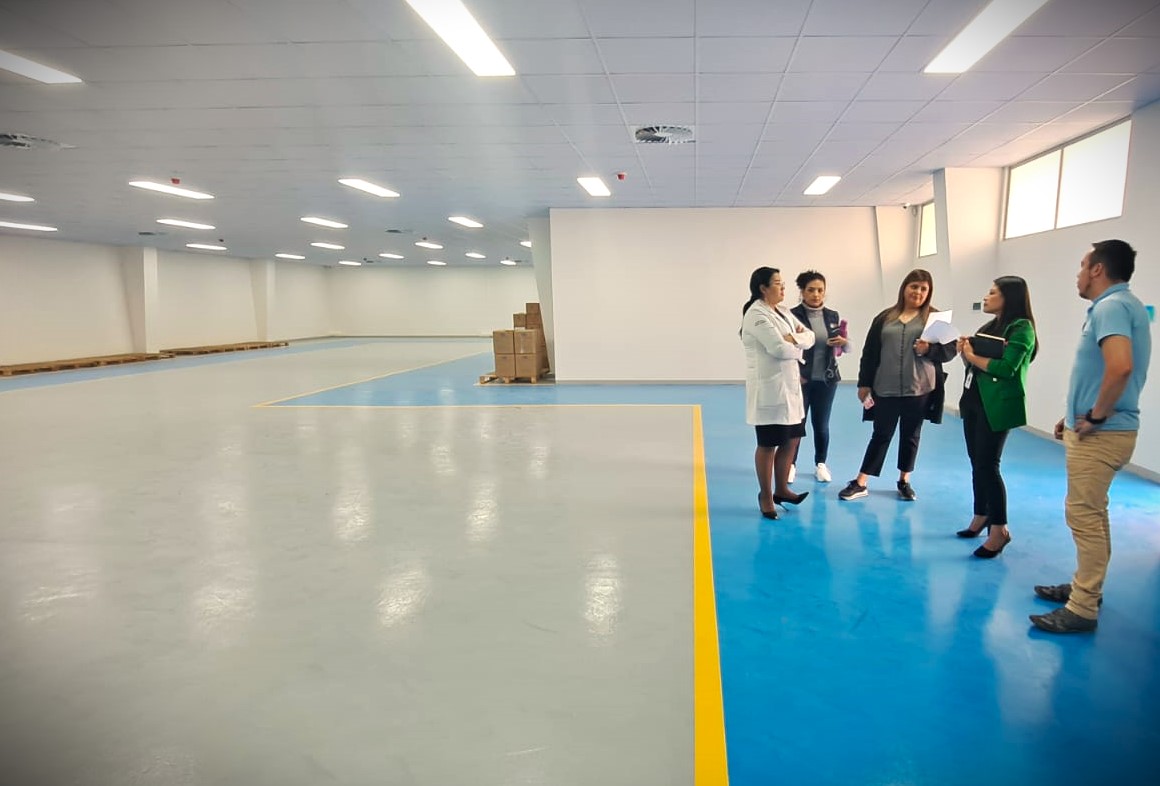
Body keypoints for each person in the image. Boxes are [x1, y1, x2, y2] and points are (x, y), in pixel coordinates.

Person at [1030, 240, 1151, 634]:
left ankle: (1082, 607)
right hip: (1102, 429)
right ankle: (1088, 588)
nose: (1079, 274)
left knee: (1083, 516)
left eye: (1083, 265)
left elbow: (1120, 368)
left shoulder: (1112, 307)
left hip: (1103, 434)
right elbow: (1101, 372)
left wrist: (1096, 416)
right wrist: (1072, 416)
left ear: (1098, 269)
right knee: (1094, 514)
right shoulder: (1120, 305)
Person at [838, 269, 957, 501]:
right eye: (914, 286)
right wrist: (864, 383)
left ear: (929, 292)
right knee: (881, 434)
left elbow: (950, 350)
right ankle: (861, 482)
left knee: (911, 435)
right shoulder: (885, 318)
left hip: (920, 388)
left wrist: (929, 349)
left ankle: (904, 481)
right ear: (904, 288)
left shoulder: (934, 318)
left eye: (923, 289)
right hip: (886, 388)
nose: (918, 292)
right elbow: (870, 353)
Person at [955, 277, 1038, 558]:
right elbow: (976, 366)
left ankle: (999, 529)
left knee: (988, 465)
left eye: (992, 293)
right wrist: (965, 353)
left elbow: (1006, 368)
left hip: (996, 406)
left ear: (1008, 298)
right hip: (974, 402)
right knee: (977, 463)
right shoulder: (989, 328)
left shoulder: (1022, 329)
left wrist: (971, 355)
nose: (986, 297)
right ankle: (981, 515)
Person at [741, 267, 814, 519]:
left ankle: (782, 489)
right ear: (763, 288)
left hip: (791, 389)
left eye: (783, 283)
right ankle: (765, 495)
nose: (783, 287)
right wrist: (797, 343)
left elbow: (811, 336)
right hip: (770, 391)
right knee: (768, 444)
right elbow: (778, 349)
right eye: (777, 283)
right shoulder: (756, 314)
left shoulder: (783, 311)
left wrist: (792, 339)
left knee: (791, 439)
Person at [789, 270, 849, 484]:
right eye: (811, 290)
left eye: (820, 290)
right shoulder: (792, 315)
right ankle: (790, 464)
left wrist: (843, 343)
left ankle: (821, 464)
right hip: (801, 380)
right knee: (797, 424)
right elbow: (788, 346)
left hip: (827, 380)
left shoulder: (832, 316)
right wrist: (795, 373)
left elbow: (842, 349)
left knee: (821, 425)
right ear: (802, 292)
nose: (816, 294)